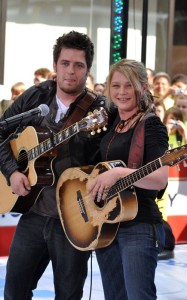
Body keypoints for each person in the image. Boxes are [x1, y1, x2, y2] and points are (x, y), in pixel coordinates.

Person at [0, 30, 107, 300]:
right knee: (14, 292)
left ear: (87, 70)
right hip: (32, 213)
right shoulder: (37, 97)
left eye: (78, 65)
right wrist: (12, 171)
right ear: (56, 66)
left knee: (68, 295)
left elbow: (107, 163)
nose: (71, 71)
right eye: (65, 63)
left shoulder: (99, 110)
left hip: (72, 220)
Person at [87, 59, 169, 300]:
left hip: (140, 225)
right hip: (108, 224)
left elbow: (160, 179)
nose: (121, 92)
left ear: (143, 89)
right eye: (116, 86)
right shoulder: (115, 122)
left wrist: (120, 173)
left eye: (129, 86)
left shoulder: (151, 125)